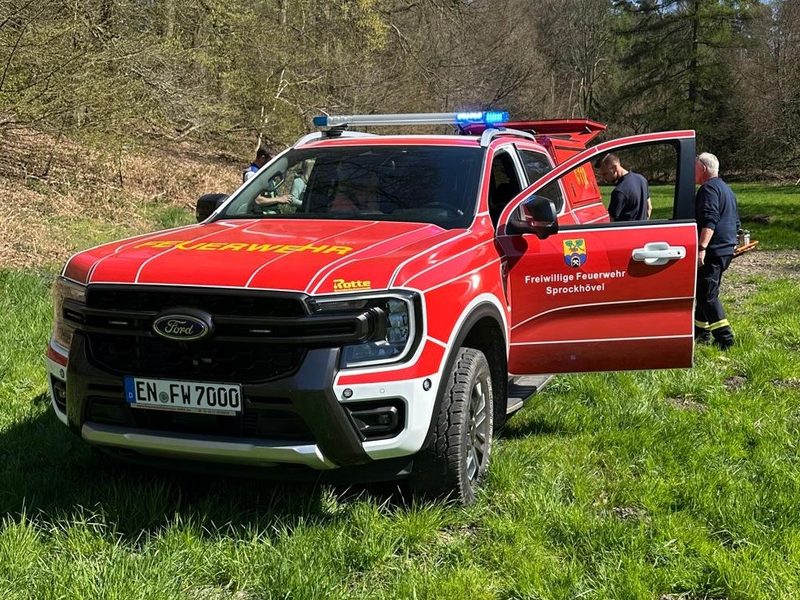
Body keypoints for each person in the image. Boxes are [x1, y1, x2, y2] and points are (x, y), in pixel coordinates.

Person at [694, 152, 740, 350]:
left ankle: (725, 338)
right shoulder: (726, 189)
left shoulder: (708, 189)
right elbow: (736, 221)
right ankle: (700, 334)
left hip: (712, 251)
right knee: (705, 291)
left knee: (707, 296)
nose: (692, 171)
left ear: (703, 169)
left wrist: (701, 248)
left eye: (695, 167)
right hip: (725, 250)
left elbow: (709, 220)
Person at [598, 154, 651, 221]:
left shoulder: (619, 191)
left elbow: (610, 220)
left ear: (615, 168)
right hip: (643, 230)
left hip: (626, 231)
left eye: (605, 174)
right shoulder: (641, 179)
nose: (604, 178)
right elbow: (649, 208)